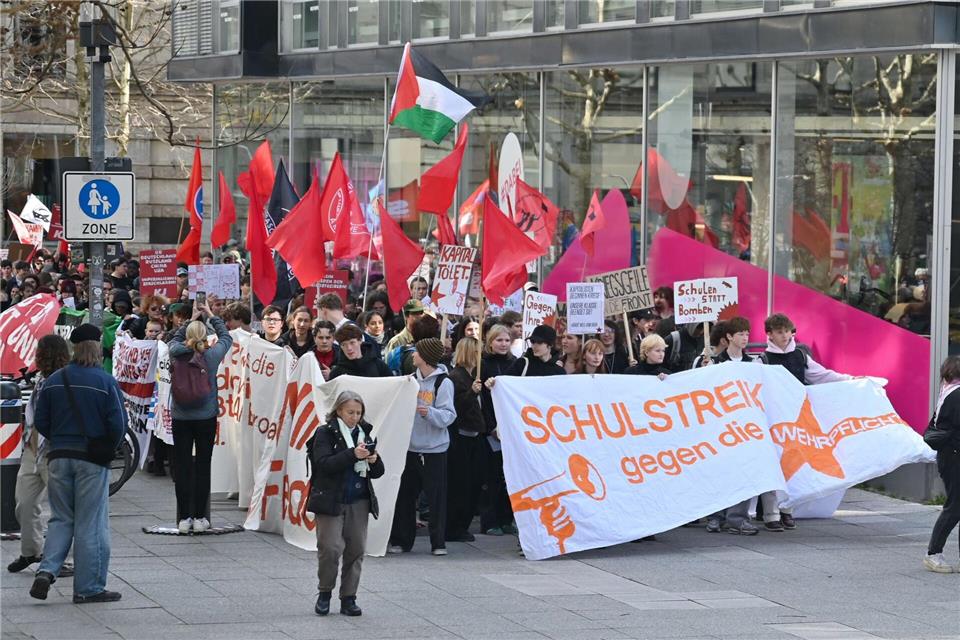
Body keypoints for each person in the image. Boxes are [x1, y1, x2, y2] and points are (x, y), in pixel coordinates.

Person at [29, 324, 127, 603]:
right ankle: (88, 588)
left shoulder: (55, 380)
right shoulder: (105, 381)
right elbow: (119, 424)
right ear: (97, 348)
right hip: (91, 459)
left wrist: (60, 438)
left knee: (61, 518)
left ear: (73, 348)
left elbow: (41, 421)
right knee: (90, 523)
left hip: (59, 456)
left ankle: (46, 570)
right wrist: (107, 447)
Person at [760, 313, 853, 531]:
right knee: (774, 465)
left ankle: (787, 510)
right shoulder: (763, 360)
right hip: (774, 419)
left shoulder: (801, 356)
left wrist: (849, 379)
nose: (785, 336)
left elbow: (823, 376)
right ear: (770, 335)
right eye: (779, 332)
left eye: (787, 331)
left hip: (798, 418)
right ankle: (770, 514)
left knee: (794, 465)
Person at [308, 391, 384, 616]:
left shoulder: (365, 433)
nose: (355, 417)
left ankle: (349, 597)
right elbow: (323, 464)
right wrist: (353, 454)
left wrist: (374, 460)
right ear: (339, 410)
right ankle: (325, 592)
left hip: (358, 499)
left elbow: (378, 472)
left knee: (356, 549)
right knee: (330, 548)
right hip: (331, 499)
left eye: (359, 413)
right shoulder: (324, 433)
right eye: (350, 412)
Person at [8, 335, 73, 577]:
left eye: (39, 352)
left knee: (61, 509)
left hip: (53, 450)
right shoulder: (42, 379)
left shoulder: (63, 380)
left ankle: (62, 560)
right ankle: (31, 551)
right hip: (33, 449)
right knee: (24, 502)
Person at [168, 300, 233, 534]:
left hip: (180, 416)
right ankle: (199, 517)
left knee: (183, 466)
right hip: (205, 416)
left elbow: (175, 338)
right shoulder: (211, 356)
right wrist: (210, 314)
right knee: (203, 465)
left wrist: (190, 319)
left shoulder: (175, 352)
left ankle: (184, 518)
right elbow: (226, 337)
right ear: (205, 337)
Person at [389, 338, 456, 556]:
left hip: (435, 450)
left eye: (417, 352)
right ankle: (402, 540)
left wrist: (430, 413)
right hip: (410, 448)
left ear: (425, 357)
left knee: (436, 499)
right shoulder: (410, 381)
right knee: (405, 497)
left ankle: (438, 543)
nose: (413, 355)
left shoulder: (444, 383)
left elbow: (449, 416)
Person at [445, 337, 485, 543]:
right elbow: (456, 407)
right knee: (461, 485)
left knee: (471, 483)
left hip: (473, 436)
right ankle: (455, 526)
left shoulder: (470, 377)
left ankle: (460, 525)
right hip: (461, 438)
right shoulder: (456, 378)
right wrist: (471, 393)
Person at [478, 325, 517, 536]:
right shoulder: (483, 364)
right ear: (490, 342)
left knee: (510, 477)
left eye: (507, 340)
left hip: (511, 428)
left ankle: (507, 518)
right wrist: (491, 426)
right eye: (499, 340)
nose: (503, 344)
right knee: (491, 477)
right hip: (491, 430)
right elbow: (483, 400)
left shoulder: (515, 364)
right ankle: (490, 520)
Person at [924, 356, 960, 573]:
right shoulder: (956, 395)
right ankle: (933, 554)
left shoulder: (948, 391)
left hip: (950, 456)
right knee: (955, 506)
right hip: (954, 457)